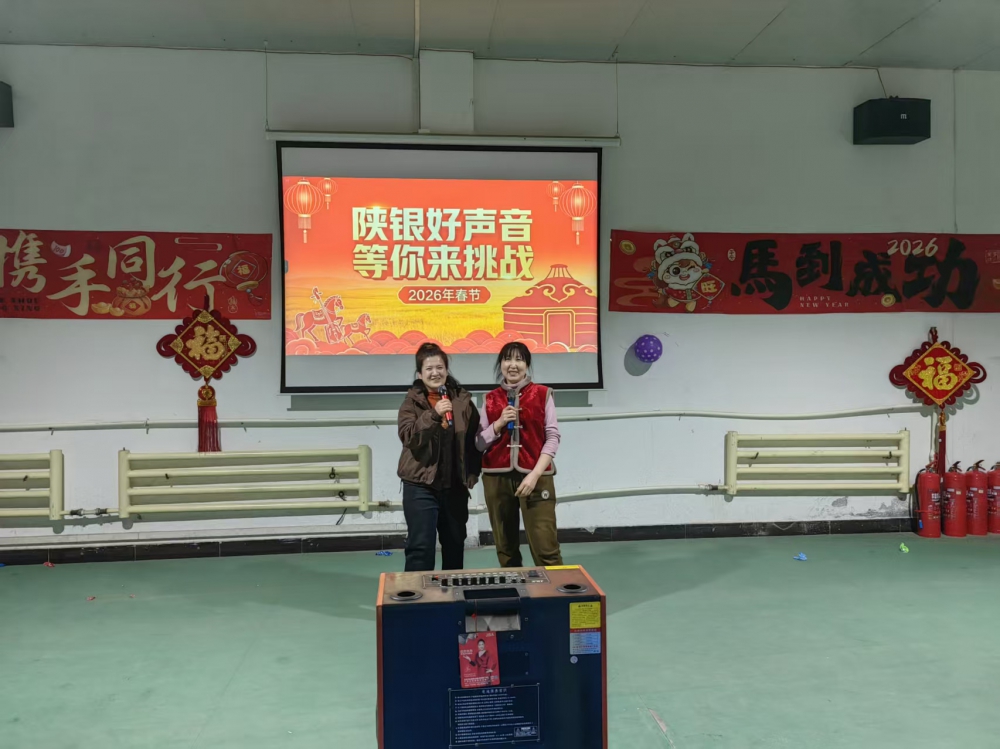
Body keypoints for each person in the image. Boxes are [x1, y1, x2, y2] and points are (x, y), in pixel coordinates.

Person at [477, 341, 563, 567]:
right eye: (507, 359)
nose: (513, 365)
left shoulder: (543, 394)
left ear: (527, 365)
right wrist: (498, 424)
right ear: (501, 364)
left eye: (519, 359)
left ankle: (554, 589)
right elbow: (478, 444)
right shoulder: (489, 399)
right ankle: (515, 588)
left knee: (546, 547)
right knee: (505, 549)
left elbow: (553, 437)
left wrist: (534, 475)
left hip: (536, 476)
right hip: (496, 478)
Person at [397, 342, 481, 572]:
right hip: (420, 486)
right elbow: (409, 438)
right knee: (420, 548)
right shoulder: (411, 403)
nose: (435, 373)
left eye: (440, 367)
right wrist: (433, 415)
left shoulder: (462, 401)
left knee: (455, 546)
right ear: (419, 374)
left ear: (446, 370)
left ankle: (451, 594)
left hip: (454, 487)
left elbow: (474, 440)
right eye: (429, 369)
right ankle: (417, 594)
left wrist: (472, 472)